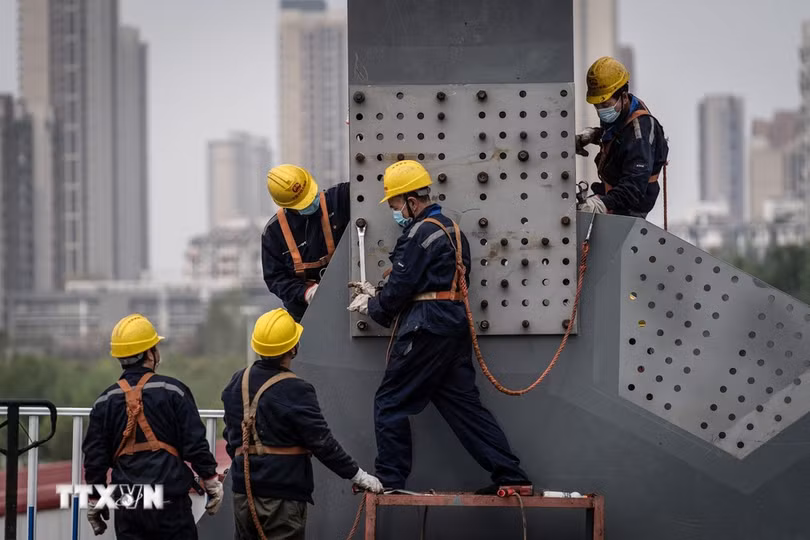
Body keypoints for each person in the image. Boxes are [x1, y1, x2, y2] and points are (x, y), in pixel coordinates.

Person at [347, 160, 531, 494]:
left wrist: (374, 304)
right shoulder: (454, 232)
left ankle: (389, 479)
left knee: (390, 401)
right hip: (452, 327)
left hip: (426, 328)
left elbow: (400, 289)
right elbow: (439, 279)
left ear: (411, 202)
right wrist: (384, 293)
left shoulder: (418, 233)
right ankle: (512, 477)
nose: (396, 213)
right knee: (464, 409)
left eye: (395, 205)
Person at [221, 308, 382, 540]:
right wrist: (358, 476)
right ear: (293, 348)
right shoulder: (295, 389)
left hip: (243, 494)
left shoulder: (237, 381)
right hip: (281, 497)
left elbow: (231, 435)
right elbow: (321, 442)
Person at [83, 314, 223, 539]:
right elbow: (194, 443)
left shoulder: (104, 401)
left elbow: (94, 458)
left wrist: (94, 499)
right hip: (168, 501)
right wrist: (210, 480)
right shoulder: (174, 391)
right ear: (150, 353)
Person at [576, 56, 669, 218]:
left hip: (629, 205)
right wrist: (593, 135)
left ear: (624, 96)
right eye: (596, 106)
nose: (600, 111)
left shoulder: (640, 132)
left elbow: (634, 186)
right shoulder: (622, 112)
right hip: (613, 193)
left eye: (605, 105)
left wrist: (601, 204)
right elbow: (621, 140)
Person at [262, 165, 350, 321]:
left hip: (348, 300)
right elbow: (275, 279)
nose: (312, 202)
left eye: (311, 194)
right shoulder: (274, 233)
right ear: (288, 205)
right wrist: (305, 292)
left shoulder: (339, 200)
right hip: (305, 314)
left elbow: (368, 189)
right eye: (304, 202)